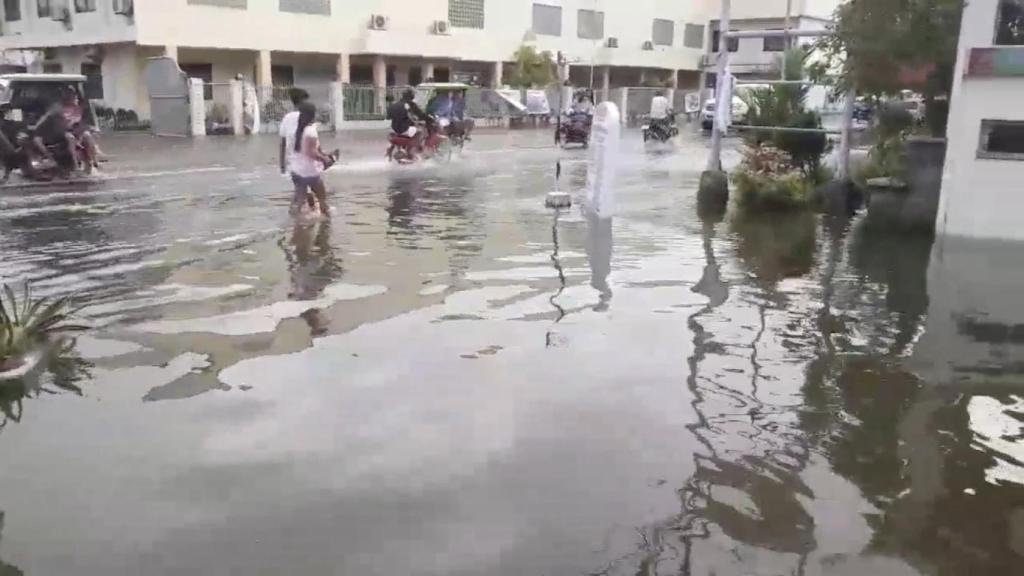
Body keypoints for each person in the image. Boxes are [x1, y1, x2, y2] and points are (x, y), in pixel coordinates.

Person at [288, 102, 333, 217]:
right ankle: (327, 226)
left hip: (296, 171)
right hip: (310, 172)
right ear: (312, 115)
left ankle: (293, 226)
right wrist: (325, 159)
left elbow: (303, 150)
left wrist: (322, 153)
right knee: (322, 199)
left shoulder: (294, 129)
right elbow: (311, 152)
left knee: (298, 203)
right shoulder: (310, 131)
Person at [279, 88, 310, 179]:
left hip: (292, 164)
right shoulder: (307, 116)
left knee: (299, 189)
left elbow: (282, 144)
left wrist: (282, 166)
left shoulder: (287, 118)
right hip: (307, 164)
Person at [388, 88, 428, 156]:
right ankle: (412, 150)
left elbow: (388, 116)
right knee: (420, 132)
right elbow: (416, 115)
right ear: (411, 96)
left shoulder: (394, 105)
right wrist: (420, 120)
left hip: (394, 128)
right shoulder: (409, 104)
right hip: (404, 129)